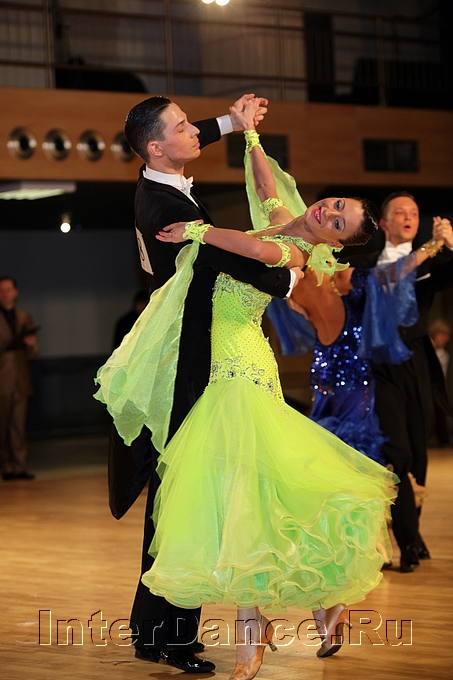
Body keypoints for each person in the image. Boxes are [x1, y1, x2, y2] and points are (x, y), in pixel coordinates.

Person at [95, 101, 396, 678]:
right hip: (211, 360)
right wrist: (247, 135)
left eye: (339, 220)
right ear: (156, 147)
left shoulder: (291, 249)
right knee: (226, 492)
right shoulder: (273, 215)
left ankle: (238, 629)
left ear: (335, 242)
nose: (329, 210)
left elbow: (259, 255)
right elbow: (265, 187)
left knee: (235, 492)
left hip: (232, 365)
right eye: (334, 203)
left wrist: (204, 230)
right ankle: (278, 614)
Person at [108, 93, 296, 674]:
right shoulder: (164, 208)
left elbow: (188, 141)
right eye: (183, 126)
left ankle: (157, 631)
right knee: (180, 497)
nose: (195, 132)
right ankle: (167, 636)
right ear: (155, 148)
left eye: (193, 123)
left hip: (192, 353)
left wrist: (232, 123)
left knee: (178, 496)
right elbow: (226, 260)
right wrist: (290, 273)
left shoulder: (162, 183)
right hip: (185, 364)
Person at [367, 192, 453, 572]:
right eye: (400, 212)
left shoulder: (430, 263)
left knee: (418, 451)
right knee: (397, 452)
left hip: (416, 362)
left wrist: (449, 243)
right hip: (379, 366)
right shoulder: (368, 264)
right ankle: (406, 540)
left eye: (414, 213)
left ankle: (412, 533)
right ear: (384, 223)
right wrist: (433, 246)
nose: (408, 217)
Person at [0, 276, 38, 481]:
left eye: (8, 289)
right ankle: (6, 466)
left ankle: (19, 465)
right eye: (1, 290)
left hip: (20, 378)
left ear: (15, 292)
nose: (4, 293)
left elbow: (34, 351)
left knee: (18, 426)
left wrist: (31, 344)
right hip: (2, 378)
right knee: (2, 426)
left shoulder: (24, 316)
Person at [429, 319, 452, 446]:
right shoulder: (424, 350)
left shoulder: (444, 355)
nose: (446, 339)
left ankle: (444, 441)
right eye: (443, 334)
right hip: (425, 388)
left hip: (436, 389)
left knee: (441, 410)